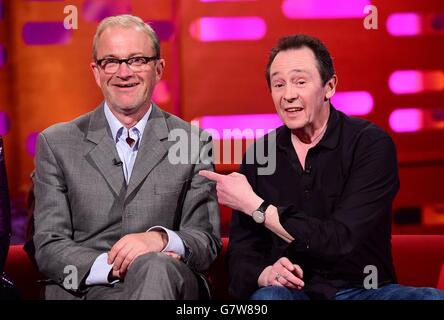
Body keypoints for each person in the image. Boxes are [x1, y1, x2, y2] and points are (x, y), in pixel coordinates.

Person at [200, 34, 444, 300]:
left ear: (329, 87)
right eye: (278, 84)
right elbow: (243, 251)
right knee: (269, 297)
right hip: (292, 293)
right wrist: (265, 273)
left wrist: (257, 207)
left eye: (300, 82)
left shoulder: (370, 145)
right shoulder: (260, 155)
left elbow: (340, 239)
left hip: (363, 290)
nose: (288, 95)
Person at [33, 14, 221, 300]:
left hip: (167, 282)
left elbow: (205, 240)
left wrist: (158, 240)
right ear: (96, 72)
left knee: (155, 267)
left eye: (137, 60)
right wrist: (113, 267)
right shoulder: (57, 143)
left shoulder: (194, 142)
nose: (124, 73)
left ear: (159, 69)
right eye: (111, 61)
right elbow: (49, 244)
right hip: (90, 288)